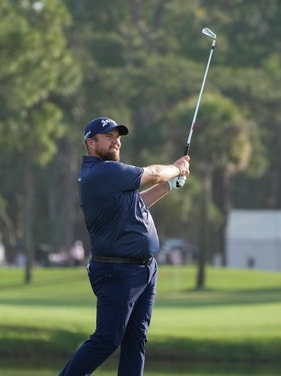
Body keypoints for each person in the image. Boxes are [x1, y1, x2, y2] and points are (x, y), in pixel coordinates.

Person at [59, 116, 190, 376]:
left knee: (136, 339)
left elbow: (137, 203)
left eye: (117, 136)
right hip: (117, 271)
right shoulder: (102, 171)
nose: (116, 140)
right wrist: (176, 168)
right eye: (109, 136)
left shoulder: (110, 177)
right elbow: (153, 173)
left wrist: (168, 186)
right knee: (108, 338)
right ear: (91, 143)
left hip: (144, 270)